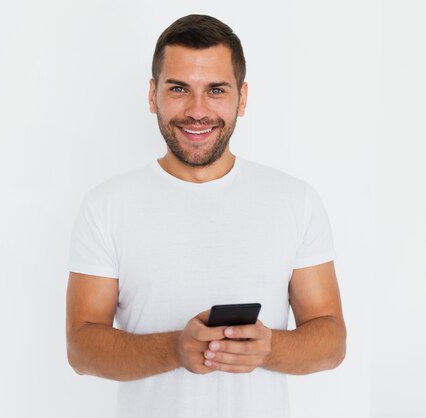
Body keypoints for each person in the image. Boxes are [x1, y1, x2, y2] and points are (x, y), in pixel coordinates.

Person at [66, 14, 346, 418]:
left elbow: (331, 339)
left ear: (242, 98)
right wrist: (174, 349)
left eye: (216, 90)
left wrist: (269, 347)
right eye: (179, 88)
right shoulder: (106, 206)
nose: (197, 111)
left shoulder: (294, 200)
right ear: (152, 95)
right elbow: (81, 348)